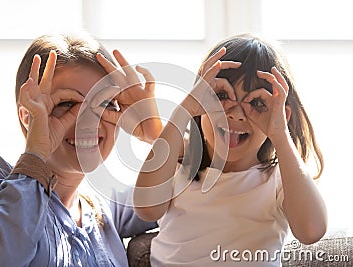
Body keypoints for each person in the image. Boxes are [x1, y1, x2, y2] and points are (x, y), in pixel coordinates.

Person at [0, 32, 162, 266]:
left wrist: (159, 137)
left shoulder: (103, 205)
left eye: (105, 104)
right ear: (26, 116)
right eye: (67, 104)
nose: (88, 122)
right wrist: (36, 155)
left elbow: (192, 200)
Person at [134, 33, 327, 266]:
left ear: (281, 116)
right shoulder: (179, 162)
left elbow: (312, 231)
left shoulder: (277, 179)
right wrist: (185, 109)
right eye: (222, 96)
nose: (236, 114)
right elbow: (146, 208)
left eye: (256, 103)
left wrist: (280, 134)